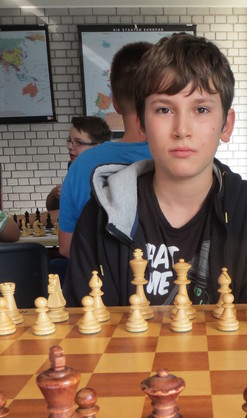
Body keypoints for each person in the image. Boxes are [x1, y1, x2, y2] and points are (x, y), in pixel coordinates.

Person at [63, 33, 247, 307]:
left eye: (201, 109)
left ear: (226, 125)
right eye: (164, 110)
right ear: (142, 123)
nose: (182, 130)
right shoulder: (98, 216)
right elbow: (91, 328)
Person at [57, 42, 153, 258]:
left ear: (115, 102)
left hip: (98, 278)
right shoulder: (180, 163)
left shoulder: (81, 165)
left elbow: (67, 248)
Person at [45, 115, 112, 212]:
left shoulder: (111, 174)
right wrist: (56, 193)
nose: (69, 146)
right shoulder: (74, 166)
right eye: (69, 141)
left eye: (78, 142)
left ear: (98, 147)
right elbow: (52, 208)